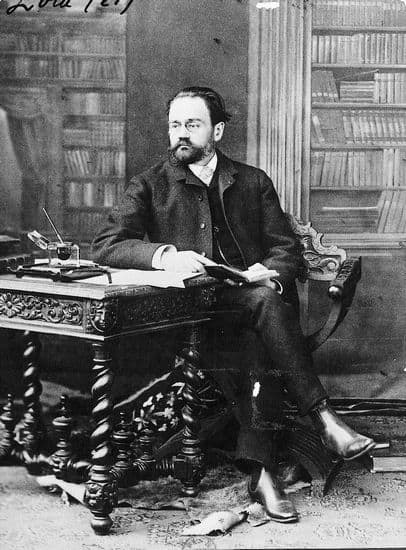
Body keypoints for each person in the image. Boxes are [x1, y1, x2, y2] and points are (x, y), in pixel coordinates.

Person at [92, 86, 375, 523]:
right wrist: (164, 255)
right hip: (193, 316)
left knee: (262, 307)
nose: (181, 134)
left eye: (192, 124)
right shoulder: (149, 184)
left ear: (218, 131)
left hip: (253, 302)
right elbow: (107, 244)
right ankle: (323, 420)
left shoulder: (253, 181)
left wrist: (267, 270)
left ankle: (263, 475)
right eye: (174, 125)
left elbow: (285, 250)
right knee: (263, 321)